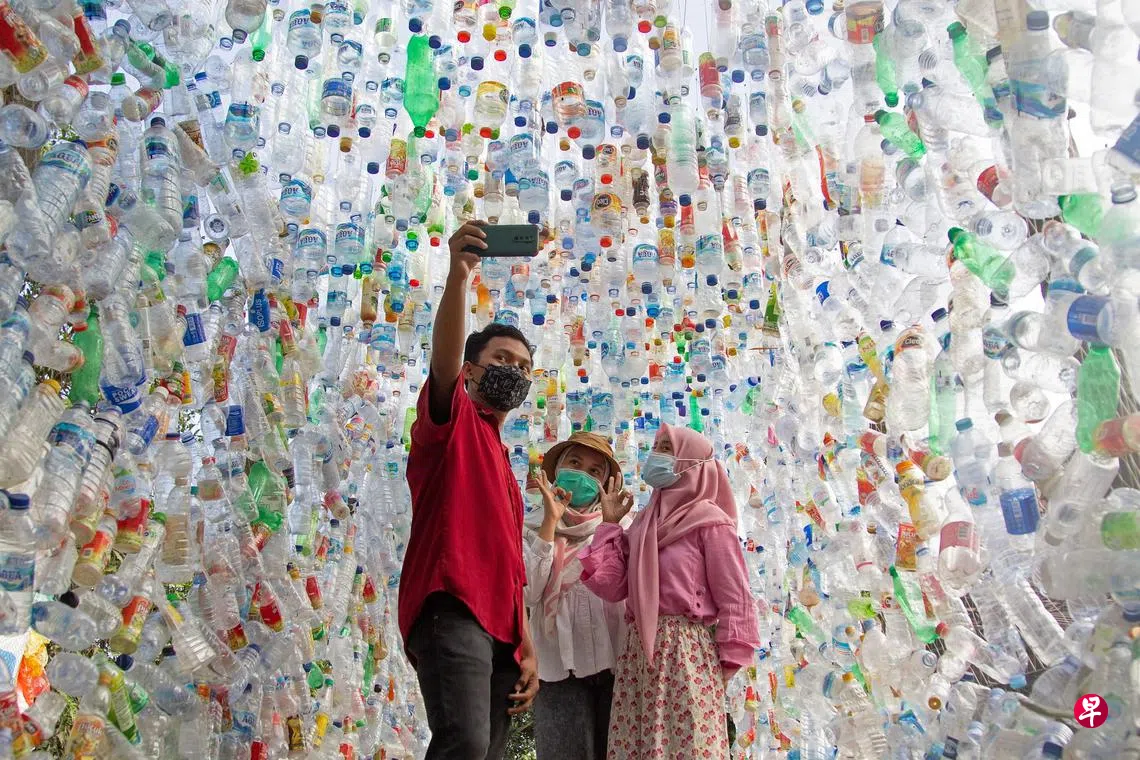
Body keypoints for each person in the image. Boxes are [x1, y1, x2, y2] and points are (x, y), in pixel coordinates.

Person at [399, 220, 540, 760]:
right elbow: (443, 361)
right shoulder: (452, 423)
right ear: (470, 370)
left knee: (490, 754)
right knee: (465, 745)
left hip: (504, 635)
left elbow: (512, 569)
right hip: (453, 606)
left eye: (524, 367)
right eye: (502, 359)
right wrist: (459, 276)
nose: (514, 372)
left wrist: (528, 647)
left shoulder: (506, 468)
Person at [579, 422, 761, 759]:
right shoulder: (643, 524)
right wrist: (609, 524)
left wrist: (725, 666)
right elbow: (613, 586)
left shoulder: (711, 524)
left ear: (691, 461)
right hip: (638, 654)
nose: (655, 455)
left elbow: (736, 600)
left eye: (666, 448)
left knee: (686, 748)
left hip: (686, 653)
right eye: (656, 447)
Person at [524, 432, 633, 760]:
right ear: (558, 469)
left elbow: (626, 588)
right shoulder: (529, 526)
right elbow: (529, 592)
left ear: (605, 483)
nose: (582, 474)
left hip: (617, 665)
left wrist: (610, 528)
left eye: (594, 471)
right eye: (574, 463)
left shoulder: (622, 526)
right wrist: (549, 521)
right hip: (557, 668)